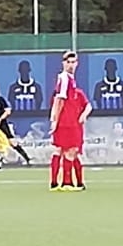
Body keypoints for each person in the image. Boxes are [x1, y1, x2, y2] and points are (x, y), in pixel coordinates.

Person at [49, 51, 92, 190]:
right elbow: (60, 100)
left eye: (73, 62)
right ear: (63, 63)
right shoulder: (64, 78)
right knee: (69, 150)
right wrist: (55, 120)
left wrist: (83, 115)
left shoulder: (71, 82)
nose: (71, 65)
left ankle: (56, 183)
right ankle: (66, 183)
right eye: (68, 62)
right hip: (67, 122)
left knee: (61, 150)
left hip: (69, 121)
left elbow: (57, 99)